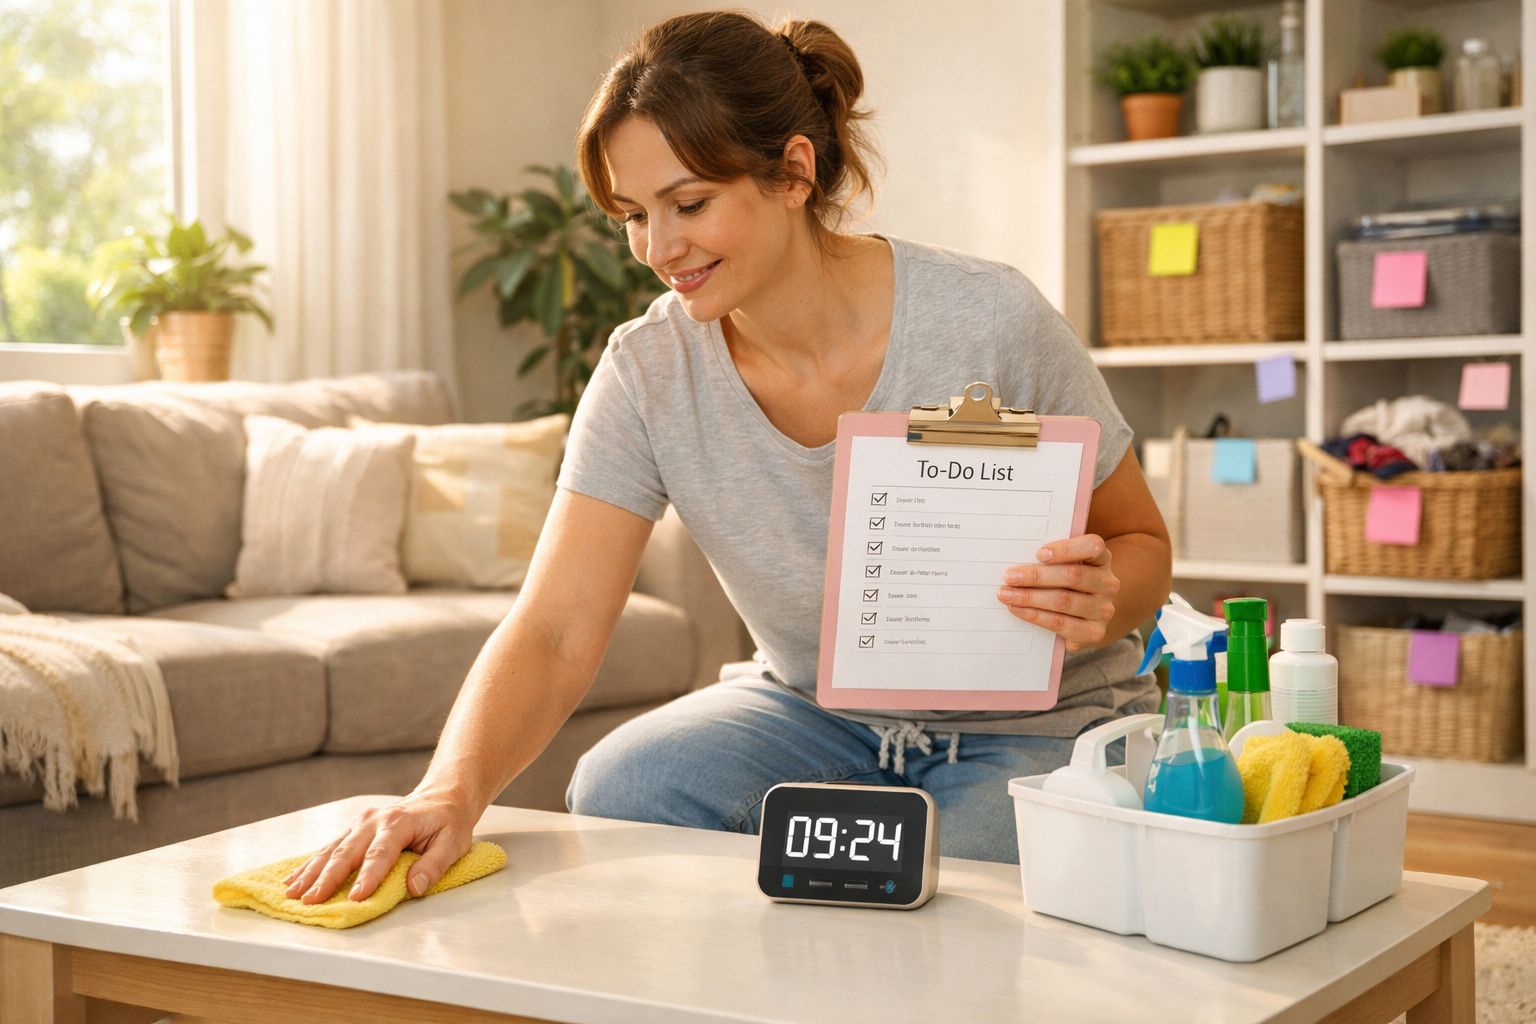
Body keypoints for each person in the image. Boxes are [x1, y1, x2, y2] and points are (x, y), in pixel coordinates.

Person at [285, 10, 1171, 906]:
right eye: (635, 216)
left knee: (958, 883)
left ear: (793, 171)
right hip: (817, 717)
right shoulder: (648, 371)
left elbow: (1143, 543)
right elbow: (555, 629)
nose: (660, 250)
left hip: (1035, 724)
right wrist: (451, 789)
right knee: (622, 787)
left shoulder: (990, 321)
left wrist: (1099, 597)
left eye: (690, 204)